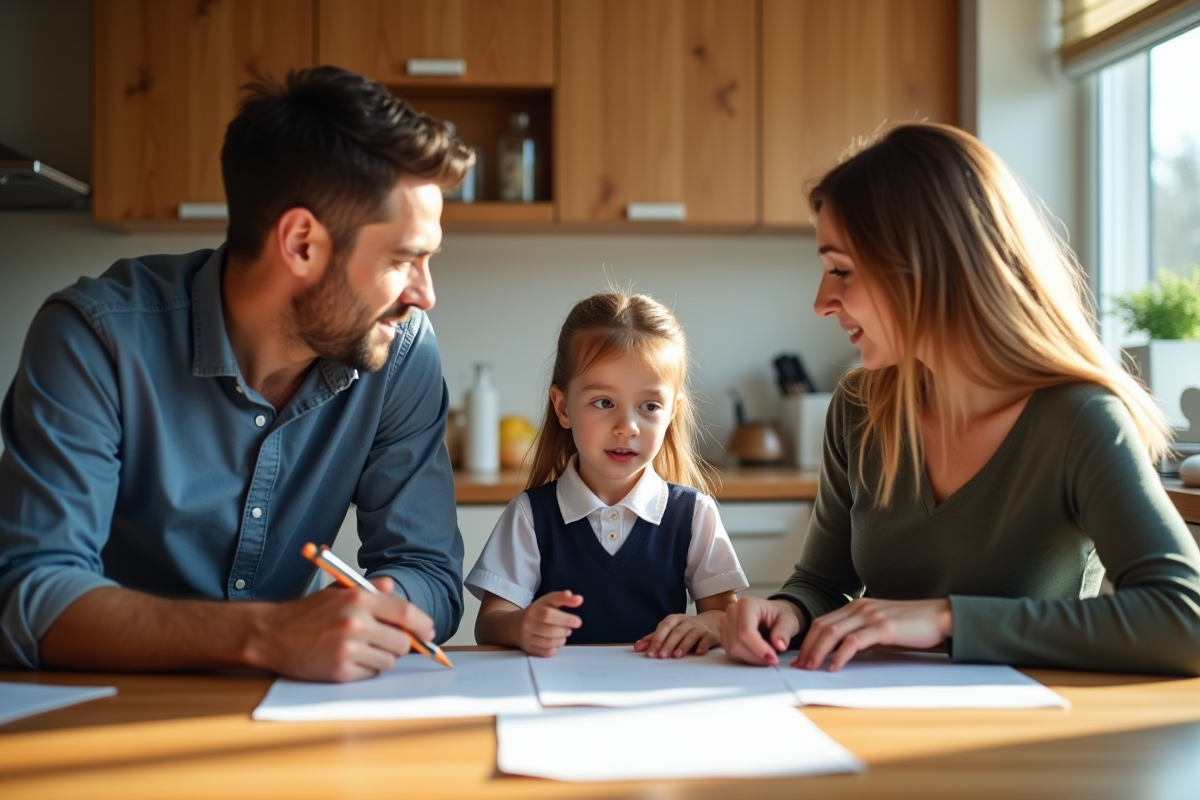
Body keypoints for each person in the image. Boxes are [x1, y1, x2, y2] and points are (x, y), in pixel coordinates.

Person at [0, 67, 475, 682]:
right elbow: (31, 596)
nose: (425, 294)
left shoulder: (401, 350)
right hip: (103, 702)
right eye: (402, 259)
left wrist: (378, 602)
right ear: (302, 242)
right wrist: (268, 634)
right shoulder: (94, 338)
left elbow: (430, 573)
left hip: (290, 710)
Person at [720, 123, 1200, 676]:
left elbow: (1181, 619)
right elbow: (823, 583)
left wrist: (946, 620)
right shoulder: (858, 406)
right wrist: (784, 611)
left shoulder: (1080, 419)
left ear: (929, 266)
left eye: (842, 271)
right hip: (873, 719)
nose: (821, 302)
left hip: (1031, 741)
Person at [467, 292, 748, 657]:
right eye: (604, 403)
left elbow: (724, 615)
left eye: (649, 406)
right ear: (563, 407)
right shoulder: (530, 516)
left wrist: (705, 625)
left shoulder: (694, 515)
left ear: (672, 413)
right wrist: (521, 626)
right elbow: (489, 624)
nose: (627, 426)